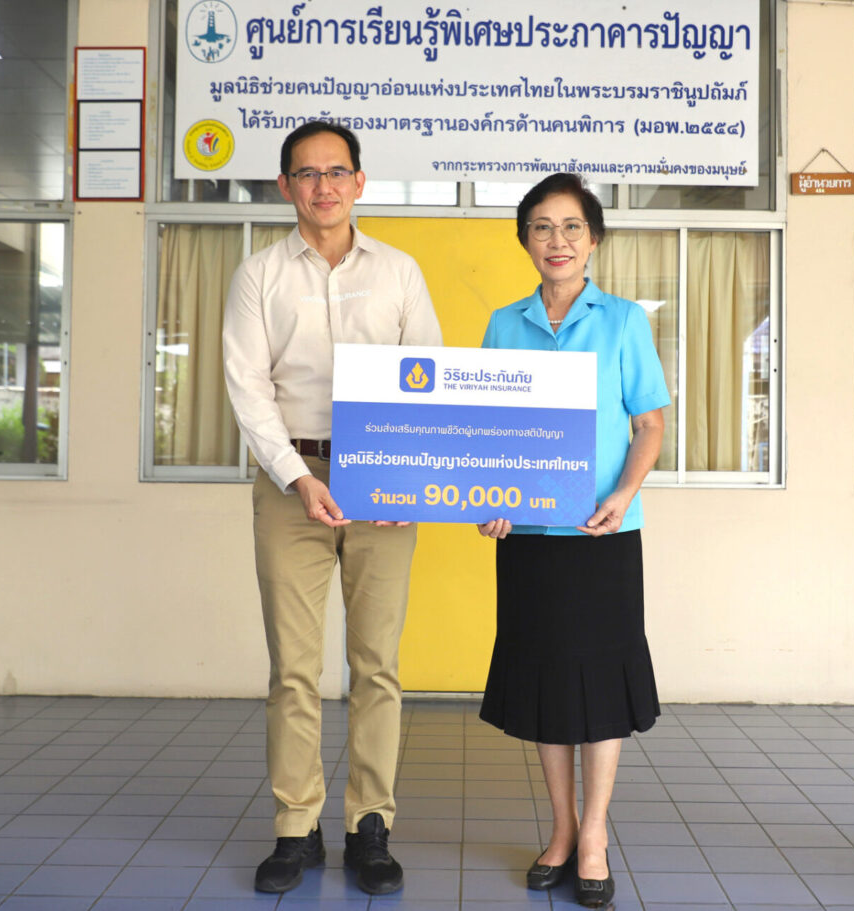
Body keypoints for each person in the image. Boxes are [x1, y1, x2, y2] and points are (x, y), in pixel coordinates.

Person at [221, 121, 442, 896]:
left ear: (360, 182)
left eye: (337, 171)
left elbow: (427, 375)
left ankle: (369, 824)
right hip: (293, 482)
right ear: (285, 185)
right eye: (307, 174)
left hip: (383, 485)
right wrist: (295, 475)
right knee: (294, 667)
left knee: (376, 664)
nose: (324, 186)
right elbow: (248, 387)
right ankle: (296, 827)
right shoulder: (258, 276)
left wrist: (405, 477)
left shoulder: (400, 272)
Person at [476, 173, 669, 908]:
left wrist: (623, 494)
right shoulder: (504, 324)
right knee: (546, 682)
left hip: (601, 533)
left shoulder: (623, 321)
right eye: (541, 227)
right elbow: (488, 433)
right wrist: (486, 499)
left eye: (571, 227)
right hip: (528, 536)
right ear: (524, 239)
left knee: (600, 684)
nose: (556, 240)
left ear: (594, 239)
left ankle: (594, 834)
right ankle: (559, 829)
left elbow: (649, 424)